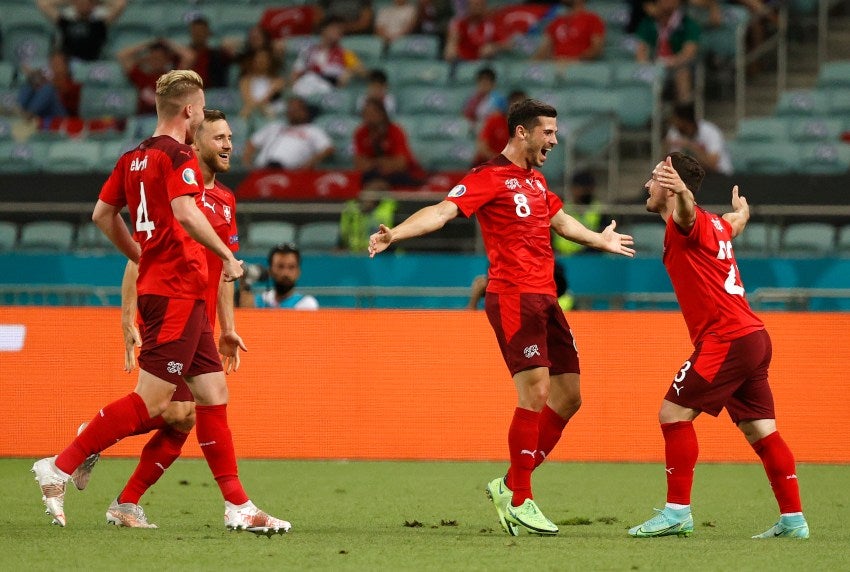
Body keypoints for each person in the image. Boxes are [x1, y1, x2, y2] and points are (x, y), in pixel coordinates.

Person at [31, 69, 290, 536]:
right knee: (152, 402)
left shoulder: (133, 156)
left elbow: (102, 215)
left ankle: (238, 506)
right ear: (190, 111)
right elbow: (185, 210)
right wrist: (229, 257)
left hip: (178, 292)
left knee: (211, 395)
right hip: (174, 291)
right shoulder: (178, 156)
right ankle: (60, 465)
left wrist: (141, 253)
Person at [369, 98, 635, 536]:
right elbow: (441, 211)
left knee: (569, 397)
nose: (554, 138)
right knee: (535, 390)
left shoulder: (535, 181)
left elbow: (562, 221)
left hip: (546, 298)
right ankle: (520, 499)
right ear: (522, 132)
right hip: (513, 297)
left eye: (555, 131)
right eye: (547, 131)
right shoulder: (487, 177)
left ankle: (511, 483)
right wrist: (395, 232)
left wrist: (597, 240)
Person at [68, 109, 247, 527]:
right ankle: (94, 449)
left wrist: (230, 328)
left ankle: (119, 490)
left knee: (181, 415)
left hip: (198, 319)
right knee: (169, 406)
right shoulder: (172, 187)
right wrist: (127, 317)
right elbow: (141, 258)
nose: (227, 145)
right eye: (218, 137)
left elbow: (226, 270)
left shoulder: (225, 200)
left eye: (229, 137)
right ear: (194, 141)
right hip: (169, 307)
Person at [628, 152, 809, 539]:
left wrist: (682, 194)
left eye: (654, 178)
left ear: (673, 185)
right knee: (761, 430)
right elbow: (734, 223)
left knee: (673, 412)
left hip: (726, 338)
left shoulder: (685, 221)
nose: (647, 185)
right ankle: (794, 520)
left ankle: (677, 511)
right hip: (753, 337)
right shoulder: (718, 225)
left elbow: (687, 214)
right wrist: (743, 212)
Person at [634, 0, 700, 103]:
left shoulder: (688, 24)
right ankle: (647, 112)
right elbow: (641, 51)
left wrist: (671, 62)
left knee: (682, 73)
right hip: (654, 65)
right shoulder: (648, 23)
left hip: (677, 65)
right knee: (640, 73)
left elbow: (688, 53)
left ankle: (682, 113)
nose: (668, 2)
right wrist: (646, 65)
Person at [242, 96, 334, 170]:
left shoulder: (313, 130)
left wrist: (308, 164)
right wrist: (247, 165)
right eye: (290, 109)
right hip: (262, 170)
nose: (292, 112)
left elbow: (328, 149)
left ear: (305, 111)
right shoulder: (275, 127)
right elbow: (252, 143)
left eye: (296, 109)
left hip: (291, 173)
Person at [353, 97, 426, 190]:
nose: (368, 117)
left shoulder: (395, 131)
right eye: (365, 114)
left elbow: (400, 163)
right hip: (374, 174)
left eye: (372, 114)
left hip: (402, 174)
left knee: (378, 183)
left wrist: (374, 163)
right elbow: (359, 164)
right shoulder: (361, 133)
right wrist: (380, 163)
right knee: (367, 179)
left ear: (381, 114)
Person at [290, 17, 367, 97]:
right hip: (308, 86)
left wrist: (350, 71)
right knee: (308, 79)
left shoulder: (344, 53)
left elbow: (363, 72)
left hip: (329, 88)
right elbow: (296, 74)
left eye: (340, 30)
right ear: (324, 30)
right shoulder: (308, 51)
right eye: (334, 29)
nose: (338, 32)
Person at [118, 39, 193, 115]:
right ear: (148, 59)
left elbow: (189, 57)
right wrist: (148, 44)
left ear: (166, 60)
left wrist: (167, 43)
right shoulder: (142, 77)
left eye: (159, 58)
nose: (156, 61)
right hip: (143, 121)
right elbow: (123, 55)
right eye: (153, 58)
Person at [37, 0, 127, 62]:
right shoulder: (66, 22)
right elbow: (43, 3)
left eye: (87, 2)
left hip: (92, 63)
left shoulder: (99, 25)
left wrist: (97, 1)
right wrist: (70, 1)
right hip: (68, 64)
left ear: (93, 6)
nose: (83, 4)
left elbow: (120, 4)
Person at [239, 243, 319, 310]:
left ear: (298, 272)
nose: (285, 273)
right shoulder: (261, 300)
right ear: (270, 270)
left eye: (291, 267)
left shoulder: (307, 304)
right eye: (280, 266)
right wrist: (245, 284)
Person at [665, 101, 733, 175]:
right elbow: (668, 163)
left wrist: (690, 145)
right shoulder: (674, 132)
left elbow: (713, 164)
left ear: (685, 121)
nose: (673, 123)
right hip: (694, 177)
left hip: (719, 175)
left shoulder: (711, 132)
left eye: (676, 120)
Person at [17, 52, 81, 122]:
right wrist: (33, 78)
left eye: (58, 63)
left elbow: (64, 91)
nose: (54, 65)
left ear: (66, 66)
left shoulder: (74, 85)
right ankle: (18, 109)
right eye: (52, 62)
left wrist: (36, 77)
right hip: (45, 115)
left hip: (64, 117)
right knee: (29, 85)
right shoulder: (47, 82)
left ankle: (27, 115)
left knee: (48, 89)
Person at [533, 0, 605, 62]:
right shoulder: (556, 22)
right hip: (556, 66)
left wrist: (573, 60)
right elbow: (543, 51)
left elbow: (596, 49)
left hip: (581, 66)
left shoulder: (593, 19)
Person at [552, 170, 603, 256]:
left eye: (585, 188)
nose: (581, 192)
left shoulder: (599, 210)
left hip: (586, 257)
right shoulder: (563, 207)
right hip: (560, 255)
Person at [472, 89, 526, 166]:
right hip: (485, 165)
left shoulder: (524, 128)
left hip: (507, 168)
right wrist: (498, 160)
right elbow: (482, 146)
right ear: (510, 104)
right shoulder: (494, 120)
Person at [238, 47, 286, 119]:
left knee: (268, 110)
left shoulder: (278, 81)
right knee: (245, 112)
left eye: (264, 59)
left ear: (270, 61)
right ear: (253, 61)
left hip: (271, 111)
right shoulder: (245, 80)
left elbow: (266, 99)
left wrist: (259, 106)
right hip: (252, 111)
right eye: (258, 59)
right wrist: (257, 106)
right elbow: (248, 100)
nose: (261, 62)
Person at [186, 16, 234, 89]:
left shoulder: (217, 55)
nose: (198, 34)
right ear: (190, 33)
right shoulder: (183, 56)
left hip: (212, 95)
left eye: (201, 31)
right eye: (195, 31)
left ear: (208, 33)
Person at [462, 67, 507, 132]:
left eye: (486, 81)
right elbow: (465, 114)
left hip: (490, 128)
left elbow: (497, 116)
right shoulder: (473, 98)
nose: (483, 84)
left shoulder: (499, 98)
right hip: (474, 126)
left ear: (493, 83)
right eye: (481, 81)